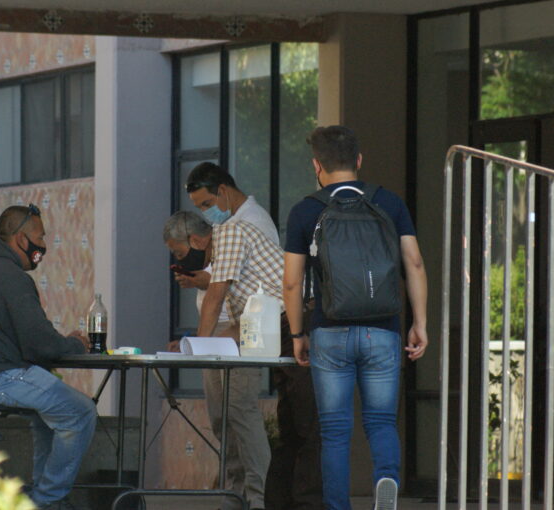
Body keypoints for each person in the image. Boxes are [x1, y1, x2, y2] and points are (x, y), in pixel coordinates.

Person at [283, 126, 428, 510]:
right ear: (359, 161)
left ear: (317, 165)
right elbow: (413, 262)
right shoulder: (389, 203)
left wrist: (298, 333)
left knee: (334, 432)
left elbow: (292, 282)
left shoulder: (306, 210)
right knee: (380, 422)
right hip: (383, 331)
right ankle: (386, 480)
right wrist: (420, 323)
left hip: (329, 332)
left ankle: (337, 506)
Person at [184, 162, 323, 510]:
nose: (205, 214)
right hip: (272, 323)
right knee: (291, 422)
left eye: (205, 204)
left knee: (303, 424)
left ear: (224, 192)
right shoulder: (238, 225)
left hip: (291, 322)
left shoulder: (236, 227)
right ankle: (273, 500)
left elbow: (216, 296)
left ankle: (291, 502)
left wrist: (198, 348)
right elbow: (242, 307)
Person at [0, 204, 97, 510]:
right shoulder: (8, 275)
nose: (44, 246)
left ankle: (43, 496)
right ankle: (48, 501)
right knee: (80, 411)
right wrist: (76, 344)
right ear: (19, 238)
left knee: (50, 415)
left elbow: (30, 340)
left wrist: (58, 344)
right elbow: (41, 344)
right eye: (40, 237)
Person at [163, 207, 281, 510]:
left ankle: (258, 499)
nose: (178, 262)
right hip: (253, 320)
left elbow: (216, 297)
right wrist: (193, 344)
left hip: (277, 318)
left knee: (240, 410)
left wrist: (199, 346)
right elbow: (229, 317)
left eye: (179, 253)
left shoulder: (228, 233)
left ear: (196, 240)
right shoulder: (218, 251)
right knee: (221, 416)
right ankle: (233, 495)